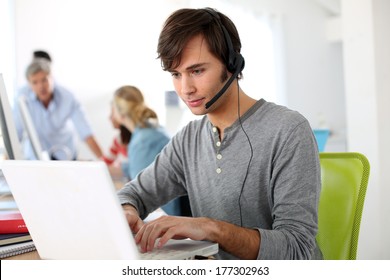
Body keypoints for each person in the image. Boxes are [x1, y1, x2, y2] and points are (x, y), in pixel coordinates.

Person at [117, 7, 321, 260]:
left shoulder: (288, 130)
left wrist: (211, 228)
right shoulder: (188, 140)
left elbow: (298, 249)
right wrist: (127, 210)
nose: (185, 89)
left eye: (197, 71)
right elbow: (131, 194)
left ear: (232, 63)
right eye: (176, 74)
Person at [111, 85, 185, 216]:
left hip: (165, 213)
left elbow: (139, 189)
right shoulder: (149, 129)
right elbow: (147, 166)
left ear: (120, 114)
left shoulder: (143, 141)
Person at [13, 58, 104, 160]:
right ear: (29, 84)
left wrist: (103, 160)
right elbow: (16, 133)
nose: (41, 86)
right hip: (36, 158)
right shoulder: (21, 98)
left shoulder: (68, 97)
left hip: (66, 156)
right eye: (35, 82)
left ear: (52, 78)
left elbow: (86, 132)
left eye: (44, 80)